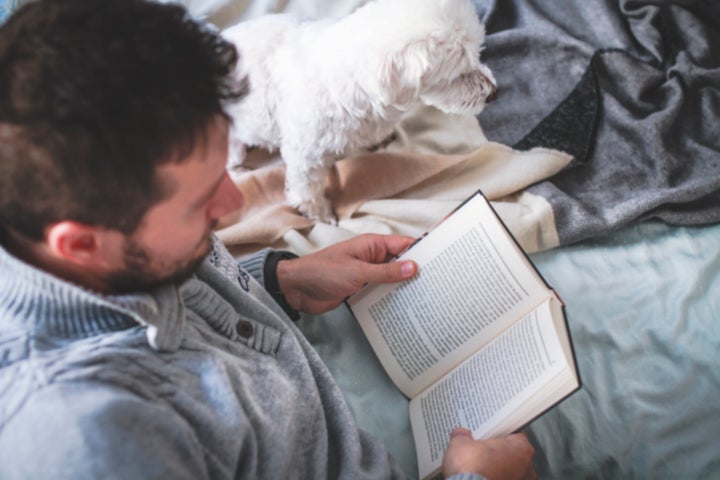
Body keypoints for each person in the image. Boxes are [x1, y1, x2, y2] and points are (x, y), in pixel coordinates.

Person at [0, 0, 537, 478]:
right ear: (82, 244)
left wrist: (280, 279)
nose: (234, 205)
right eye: (201, 200)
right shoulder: (94, 444)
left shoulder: (106, 231)